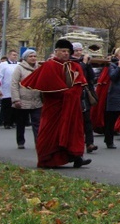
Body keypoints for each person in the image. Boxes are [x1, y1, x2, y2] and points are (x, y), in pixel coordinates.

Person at [20, 39, 92, 168]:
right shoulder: (49, 66)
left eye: (68, 51)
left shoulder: (74, 66)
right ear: (56, 51)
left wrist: (72, 93)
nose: (65, 54)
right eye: (63, 51)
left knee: (74, 132)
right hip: (54, 107)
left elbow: (80, 83)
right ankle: (47, 159)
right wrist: (67, 93)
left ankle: (76, 157)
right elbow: (49, 86)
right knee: (49, 133)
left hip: (72, 107)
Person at [11, 49, 42, 149]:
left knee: (37, 123)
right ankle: (20, 141)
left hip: (36, 100)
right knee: (21, 123)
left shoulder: (39, 68)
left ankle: (38, 142)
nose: (33, 58)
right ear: (25, 58)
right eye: (30, 56)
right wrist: (16, 99)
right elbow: (14, 84)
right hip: (23, 100)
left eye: (34, 56)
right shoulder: (19, 68)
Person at [72, 42, 98, 154]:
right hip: (75, 94)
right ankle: (76, 143)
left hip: (85, 93)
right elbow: (78, 73)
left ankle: (90, 143)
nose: (78, 52)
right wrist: (84, 63)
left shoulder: (84, 62)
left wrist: (88, 64)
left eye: (80, 50)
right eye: (76, 50)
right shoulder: (71, 62)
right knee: (75, 121)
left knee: (87, 120)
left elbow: (92, 76)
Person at [0, 49, 19, 129]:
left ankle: (13, 122)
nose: (15, 56)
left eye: (16, 55)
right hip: (6, 89)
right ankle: (6, 122)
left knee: (15, 107)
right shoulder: (3, 65)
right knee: (7, 106)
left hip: (16, 89)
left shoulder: (19, 65)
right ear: (9, 55)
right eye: (13, 55)